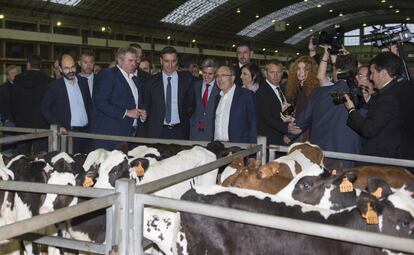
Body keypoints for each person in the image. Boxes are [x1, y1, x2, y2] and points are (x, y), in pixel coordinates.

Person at [288, 52, 365, 168]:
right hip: (350, 156)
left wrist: (288, 135)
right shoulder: (363, 95)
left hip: (321, 155)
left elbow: (301, 123)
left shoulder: (318, 93)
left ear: (336, 70)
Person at [344, 52, 414, 160]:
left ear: (383, 73)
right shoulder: (407, 87)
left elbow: (368, 129)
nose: (371, 78)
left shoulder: (388, 97)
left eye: (372, 73)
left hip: (387, 161)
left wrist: (351, 109)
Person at [90, 47, 147, 150]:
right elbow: (101, 102)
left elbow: (137, 101)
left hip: (129, 135)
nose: (134, 63)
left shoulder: (135, 78)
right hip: (109, 136)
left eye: (135, 60)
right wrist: (126, 112)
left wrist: (142, 112)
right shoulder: (108, 75)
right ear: (120, 60)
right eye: (130, 60)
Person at [41, 54, 93, 153]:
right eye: (66, 68)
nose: (70, 71)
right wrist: (58, 125)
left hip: (87, 133)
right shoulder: (54, 87)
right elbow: (45, 109)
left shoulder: (83, 82)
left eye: (73, 67)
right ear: (60, 69)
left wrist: (92, 126)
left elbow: (89, 106)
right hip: (68, 134)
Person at [145, 46, 195, 139]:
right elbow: (147, 105)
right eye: (166, 61)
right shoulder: (151, 82)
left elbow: (191, 105)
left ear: (177, 61)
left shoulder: (187, 80)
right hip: (157, 131)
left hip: (180, 130)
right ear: (161, 61)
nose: (170, 65)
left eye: (173, 61)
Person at [11, 54, 52, 154]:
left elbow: (13, 101)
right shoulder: (48, 80)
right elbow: (50, 104)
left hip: (22, 124)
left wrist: (16, 118)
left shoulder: (18, 79)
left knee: (22, 155)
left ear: (28, 64)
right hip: (41, 124)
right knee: (40, 156)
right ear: (40, 65)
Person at [256, 60, 301, 148]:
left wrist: (291, 119)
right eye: (272, 72)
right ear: (266, 73)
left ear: (282, 73)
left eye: (278, 72)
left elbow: (286, 110)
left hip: (282, 139)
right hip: (270, 140)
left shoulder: (282, 89)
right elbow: (267, 117)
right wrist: (286, 128)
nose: (275, 75)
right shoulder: (261, 92)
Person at [214, 66, 257, 143]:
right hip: (218, 145)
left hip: (238, 147)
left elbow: (253, 123)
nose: (219, 79)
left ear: (233, 78)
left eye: (223, 75)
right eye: (217, 76)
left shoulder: (246, 95)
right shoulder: (217, 97)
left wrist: (252, 149)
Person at [189, 58, 220, 141]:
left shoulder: (220, 88)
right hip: (194, 132)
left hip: (212, 133)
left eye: (210, 74)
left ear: (215, 74)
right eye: (204, 73)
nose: (206, 76)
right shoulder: (195, 86)